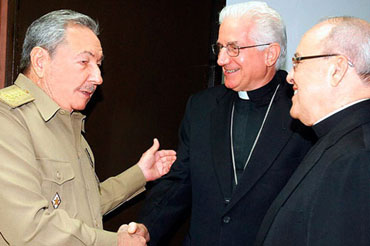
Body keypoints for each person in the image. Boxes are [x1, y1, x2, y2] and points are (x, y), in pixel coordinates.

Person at [129, 2, 316, 245]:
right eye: (220, 48)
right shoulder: (202, 107)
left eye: (233, 48)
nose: (221, 59)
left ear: (270, 53)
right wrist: (147, 227)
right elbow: (180, 181)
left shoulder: (305, 107)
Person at [0, 9, 176, 246]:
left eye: (98, 64)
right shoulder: (8, 118)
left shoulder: (67, 120)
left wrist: (140, 174)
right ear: (41, 61)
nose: (98, 77)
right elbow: (29, 228)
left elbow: (83, 204)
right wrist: (116, 243)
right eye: (84, 61)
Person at [254, 17, 370, 246]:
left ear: (336, 70)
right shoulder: (340, 139)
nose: (289, 76)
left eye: (297, 61)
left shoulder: (357, 158)